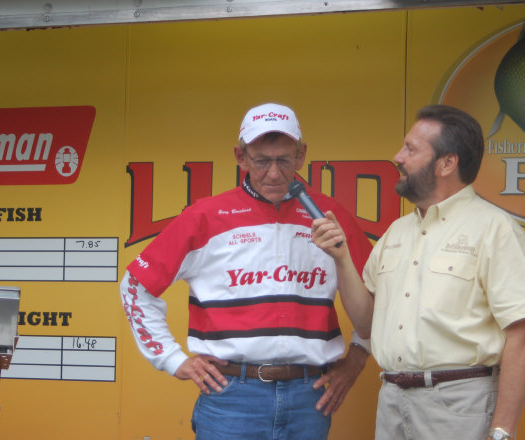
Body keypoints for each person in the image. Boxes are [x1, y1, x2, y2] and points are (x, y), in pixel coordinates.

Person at [120, 102, 373, 440]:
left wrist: (357, 358)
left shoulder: (330, 217)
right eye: (261, 161)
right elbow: (135, 285)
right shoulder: (205, 216)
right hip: (231, 397)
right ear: (240, 157)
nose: (274, 173)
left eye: (284, 160)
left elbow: (379, 294)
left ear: (301, 155)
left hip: (309, 397)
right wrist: (170, 358)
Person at [312, 104, 525, 440]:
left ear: (447, 163)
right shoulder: (396, 232)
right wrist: (341, 259)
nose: (398, 157)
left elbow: (524, 337)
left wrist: (502, 432)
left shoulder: (495, 229)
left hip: (459, 404)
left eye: (411, 149)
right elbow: (365, 326)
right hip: (392, 399)